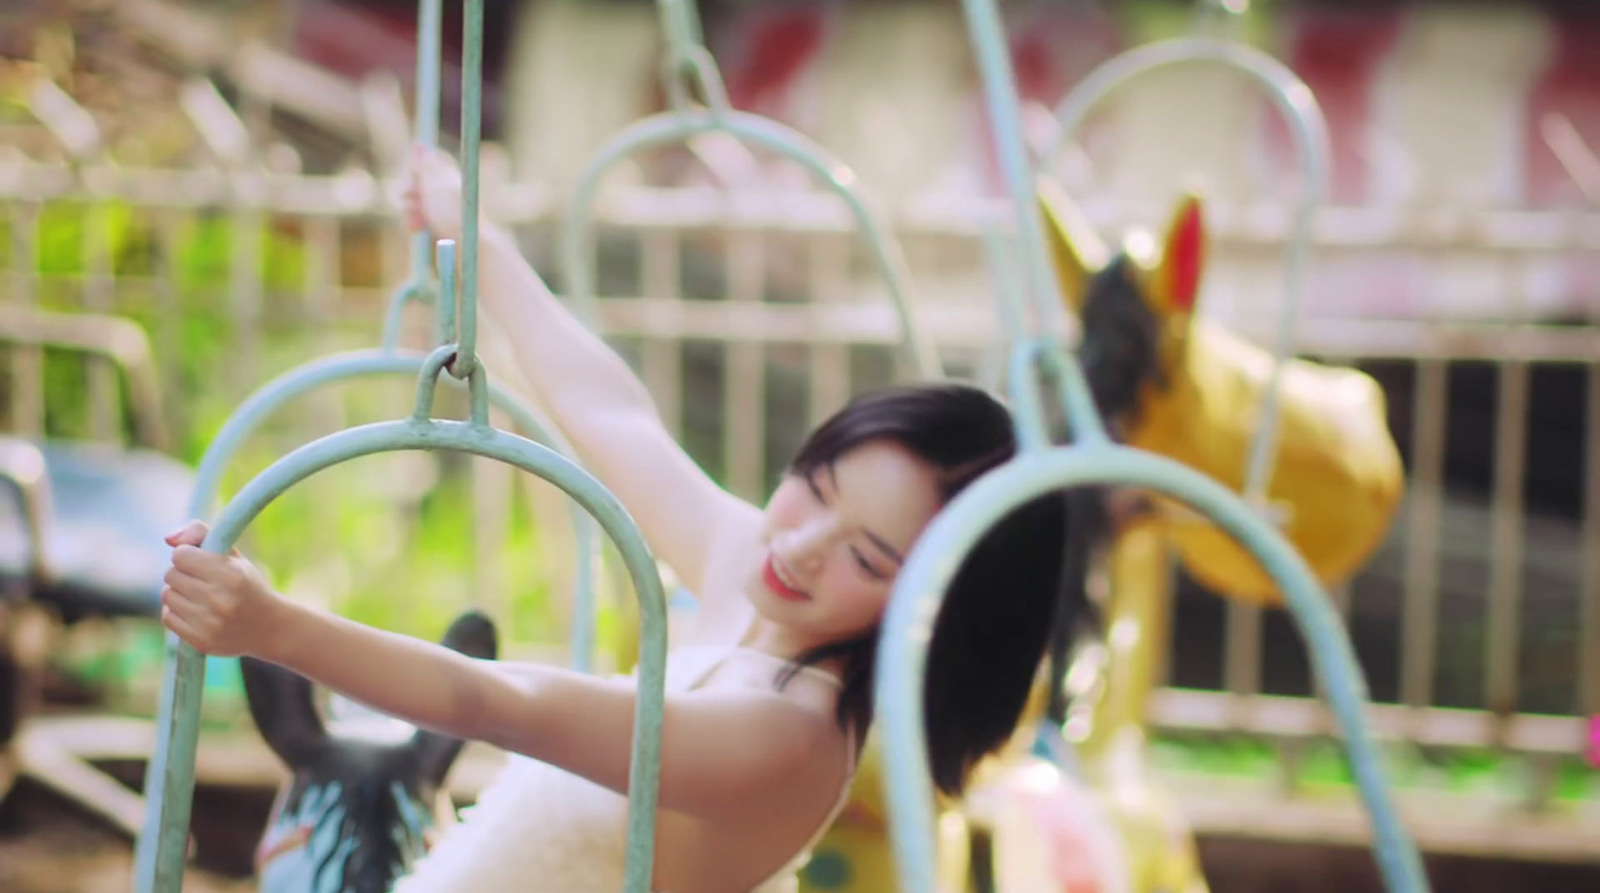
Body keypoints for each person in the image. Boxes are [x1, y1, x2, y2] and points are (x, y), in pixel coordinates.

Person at [159, 148, 1076, 893]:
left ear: (928, 609)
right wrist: (477, 244)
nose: (798, 542)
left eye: (868, 559)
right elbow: (614, 418)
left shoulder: (788, 731)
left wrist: (270, 627)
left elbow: (497, 700)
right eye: (816, 484)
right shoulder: (758, 574)